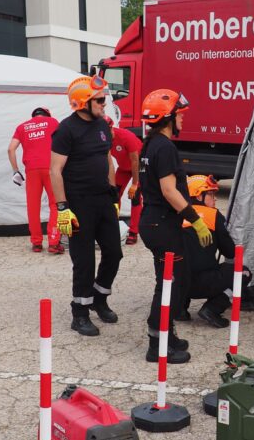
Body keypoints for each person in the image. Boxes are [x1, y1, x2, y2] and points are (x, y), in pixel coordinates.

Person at [138, 89, 211, 363]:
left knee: (171, 279)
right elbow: (169, 190)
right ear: (168, 118)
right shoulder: (165, 147)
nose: (183, 119)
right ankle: (157, 344)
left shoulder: (150, 144)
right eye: (180, 115)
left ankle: (167, 335)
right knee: (170, 283)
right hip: (162, 225)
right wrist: (195, 219)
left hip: (155, 223)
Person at [51, 75, 123, 337]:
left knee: (114, 252)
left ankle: (99, 297)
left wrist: (114, 197)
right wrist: (62, 208)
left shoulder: (102, 124)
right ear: (83, 103)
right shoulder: (66, 130)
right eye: (100, 100)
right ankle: (79, 312)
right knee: (84, 261)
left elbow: (108, 159)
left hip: (103, 199)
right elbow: (55, 171)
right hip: (78, 204)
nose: (105, 104)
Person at [176, 174, 251, 329]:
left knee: (179, 266)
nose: (215, 199)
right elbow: (230, 252)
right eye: (210, 194)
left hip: (176, 283)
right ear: (199, 196)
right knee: (244, 273)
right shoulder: (213, 215)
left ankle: (180, 309)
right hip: (203, 283)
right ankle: (212, 309)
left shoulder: (174, 214)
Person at [8, 107, 62, 254]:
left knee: (33, 206)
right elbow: (63, 142)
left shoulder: (22, 127)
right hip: (51, 168)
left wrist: (15, 171)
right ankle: (53, 241)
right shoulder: (52, 122)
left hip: (31, 170)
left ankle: (36, 243)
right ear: (47, 115)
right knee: (55, 204)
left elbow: (11, 149)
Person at [106, 116, 143, 245]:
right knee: (114, 195)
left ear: (112, 128)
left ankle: (134, 232)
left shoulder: (126, 137)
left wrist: (134, 184)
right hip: (123, 167)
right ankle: (114, 227)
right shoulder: (103, 140)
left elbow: (135, 161)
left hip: (139, 166)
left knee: (135, 196)